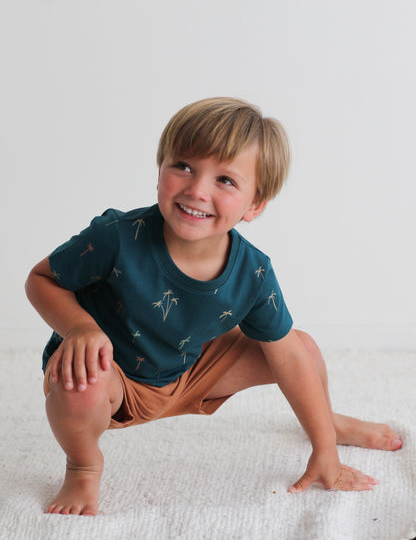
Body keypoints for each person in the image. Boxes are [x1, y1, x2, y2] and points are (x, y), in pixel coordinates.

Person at [25, 97, 402, 516]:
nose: (197, 189)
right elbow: (41, 279)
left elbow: (290, 359)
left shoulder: (253, 272)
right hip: (114, 378)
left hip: (192, 370)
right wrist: (79, 328)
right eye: (183, 166)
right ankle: (82, 466)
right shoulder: (118, 236)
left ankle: (327, 423)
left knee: (302, 348)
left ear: (254, 205)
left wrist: (324, 449)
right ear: (159, 170)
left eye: (225, 180)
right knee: (80, 383)